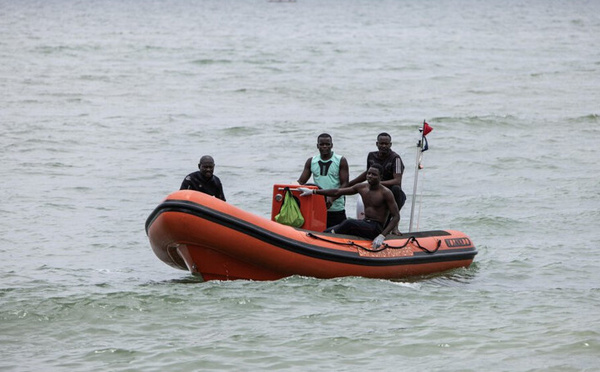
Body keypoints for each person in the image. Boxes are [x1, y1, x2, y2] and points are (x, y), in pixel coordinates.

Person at [298, 164, 399, 248]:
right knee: (327, 230)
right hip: (365, 223)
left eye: (374, 174)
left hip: (376, 227)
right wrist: (313, 191)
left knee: (349, 222)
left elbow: (396, 216)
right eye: (368, 173)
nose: (370, 176)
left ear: (381, 176)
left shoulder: (385, 193)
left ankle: (322, 242)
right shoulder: (362, 187)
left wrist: (382, 236)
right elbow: (338, 191)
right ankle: (319, 242)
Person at [348, 132, 405, 234]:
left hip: (392, 192)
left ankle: (395, 226)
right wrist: (350, 183)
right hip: (375, 189)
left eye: (386, 144)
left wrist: (378, 183)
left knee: (396, 189)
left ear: (390, 144)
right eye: (381, 143)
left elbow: (397, 180)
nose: (383, 146)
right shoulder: (371, 156)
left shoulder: (395, 158)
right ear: (377, 144)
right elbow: (367, 173)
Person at [297, 133, 349, 228]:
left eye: (327, 144)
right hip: (318, 207)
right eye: (322, 144)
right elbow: (300, 182)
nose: (325, 147)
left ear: (331, 145)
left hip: (336, 208)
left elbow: (345, 184)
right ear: (317, 146)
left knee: (338, 235)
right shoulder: (311, 161)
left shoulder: (341, 160)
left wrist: (332, 199)